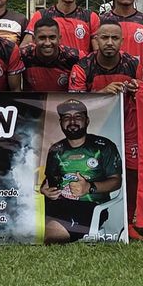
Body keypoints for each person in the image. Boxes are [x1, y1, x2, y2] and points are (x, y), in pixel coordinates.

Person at [70, 20, 141, 232]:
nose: (109, 42)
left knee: (132, 173)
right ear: (96, 39)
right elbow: (73, 104)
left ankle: (128, 223)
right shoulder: (83, 66)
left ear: (122, 41)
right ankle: (86, 222)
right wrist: (102, 93)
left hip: (127, 126)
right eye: (104, 38)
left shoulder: (133, 64)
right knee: (91, 173)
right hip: (95, 128)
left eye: (115, 38)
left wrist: (137, 91)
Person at [39, 100, 123, 243]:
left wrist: (90, 188)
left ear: (87, 120)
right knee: (24, 220)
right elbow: (49, 180)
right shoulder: (55, 149)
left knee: (54, 235)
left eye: (78, 117)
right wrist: (45, 190)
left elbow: (116, 181)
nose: (72, 121)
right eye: (66, 117)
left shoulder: (103, 146)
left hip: (89, 207)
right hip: (56, 205)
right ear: (61, 122)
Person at [27, 0, 100, 54]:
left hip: (80, 66)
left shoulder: (90, 17)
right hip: (50, 66)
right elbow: (26, 46)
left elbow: (98, 52)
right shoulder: (41, 15)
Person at [18, 19, 80, 93]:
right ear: (34, 39)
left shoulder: (74, 57)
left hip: (63, 102)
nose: (47, 43)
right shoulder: (23, 55)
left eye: (52, 37)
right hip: (32, 102)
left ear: (59, 39)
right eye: (42, 38)